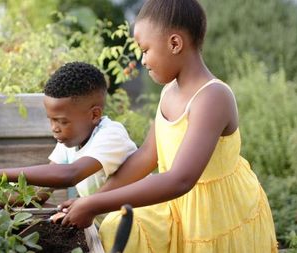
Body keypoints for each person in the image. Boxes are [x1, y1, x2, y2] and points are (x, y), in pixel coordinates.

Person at [59, 1, 278, 252]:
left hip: (217, 216)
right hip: (178, 207)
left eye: (145, 50)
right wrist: (90, 201)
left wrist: (95, 206)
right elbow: (146, 157)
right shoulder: (169, 92)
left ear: (175, 43)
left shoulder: (212, 97)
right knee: (120, 227)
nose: (143, 61)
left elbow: (180, 179)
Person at [0, 62, 137, 206]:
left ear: (94, 115)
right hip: (103, 226)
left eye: (62, 121)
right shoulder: (69, 141)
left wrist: (2, 174)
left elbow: (70, 175)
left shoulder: (111, 135)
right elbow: (39, 194)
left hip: (136, 222)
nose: (54, 128)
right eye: (51, 120)